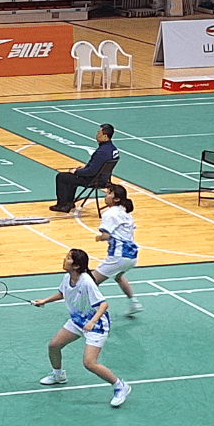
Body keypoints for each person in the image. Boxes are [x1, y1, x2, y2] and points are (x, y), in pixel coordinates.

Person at [32, 248, 132, 408]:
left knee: (89, 363)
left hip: (96, 326)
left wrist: (92, 322)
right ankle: (58, 375)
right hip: (77, 321)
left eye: (68, 258)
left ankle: (120, 386)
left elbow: (103, 304)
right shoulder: (67, 277)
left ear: (76, 266)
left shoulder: (86, 282)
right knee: (54, 346)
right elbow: (62, 293)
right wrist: (44, 301)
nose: (64, 259)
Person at [93, 184, 143, 316]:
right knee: (118, 276)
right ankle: (134, 302)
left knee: (90, 282)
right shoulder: (126, 214)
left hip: (119, 256)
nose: (106, 195)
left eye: (109, 193)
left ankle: (94, 309)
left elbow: (106, 235)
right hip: (131, 257)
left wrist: (99, 238)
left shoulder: (109, 214)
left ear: (116, 199)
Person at [51, 123, 118, 213]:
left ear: (105, 136)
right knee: (71, 177)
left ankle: (62, 205)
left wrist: (76, 172)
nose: (97, 135)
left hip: (94, 180)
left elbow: (91, 171)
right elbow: (97, 166)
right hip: (104, 179)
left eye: (99, 133)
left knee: (62, 177)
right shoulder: (113, 149)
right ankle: (69, 203)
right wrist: (84, 168)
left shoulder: (102, 152)